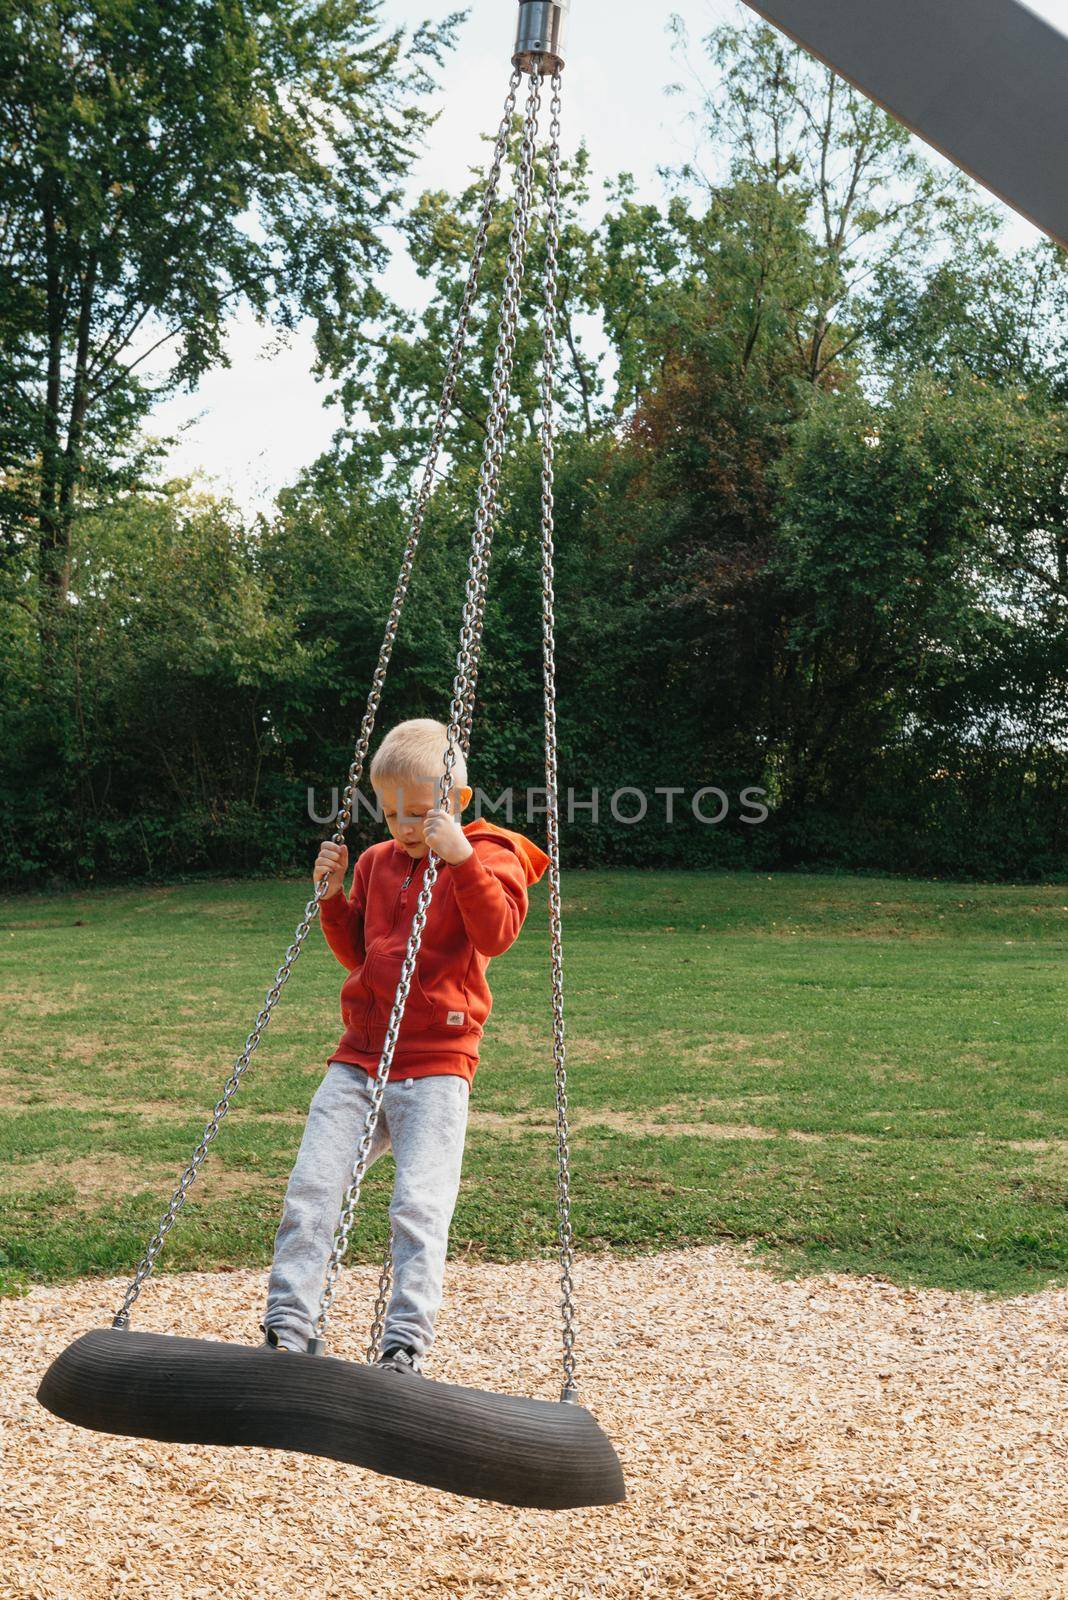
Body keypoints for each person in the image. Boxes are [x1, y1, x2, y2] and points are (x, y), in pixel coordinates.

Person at [260, 718, 549, 1372]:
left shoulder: (489, 856)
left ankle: (404, 1347)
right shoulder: (376, 862)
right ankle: (289, 1330)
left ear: (459, 804)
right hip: (358, 1062)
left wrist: (463, 860)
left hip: (435, 1069)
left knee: (418, 1207)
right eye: (389, 812)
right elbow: (358, 955)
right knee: (312, 1191)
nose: (404, 826)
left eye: (419, 812)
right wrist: (332, 899)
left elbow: (497, 931)